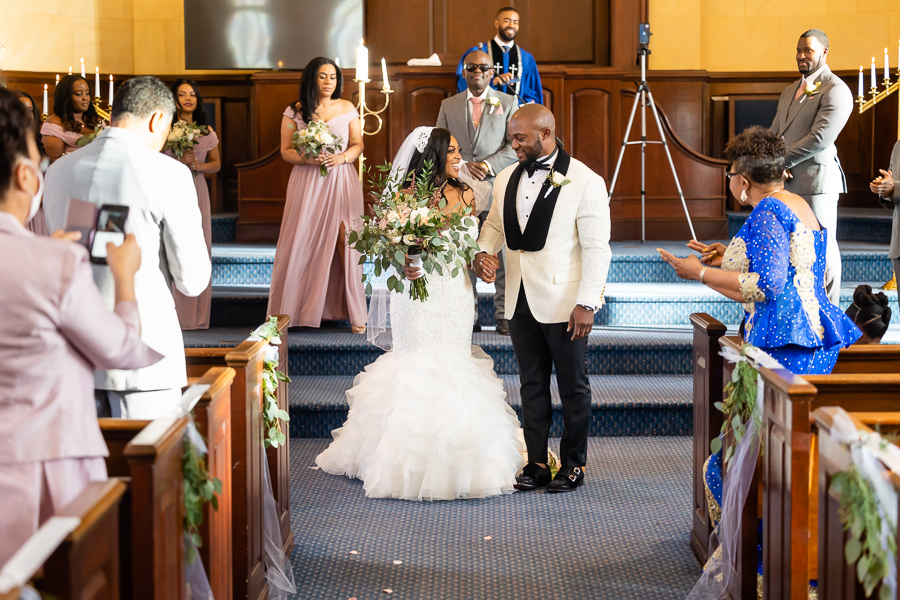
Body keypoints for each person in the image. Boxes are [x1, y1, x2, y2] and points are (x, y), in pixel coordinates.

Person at [315, 127, 526, 501]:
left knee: (454, 361)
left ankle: (461, 454)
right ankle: (403, 460)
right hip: (417, 293)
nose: (459, 158)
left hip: (456, 293)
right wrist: (405, 263)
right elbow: (388, 247)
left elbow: (469, 245)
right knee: (418, 362)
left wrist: (480, 260)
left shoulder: (465, 193)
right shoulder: (405, 195)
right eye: (452, 152)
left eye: (460, 151)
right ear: (434, 156)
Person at [0, 88, 161, 565]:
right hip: (43, 469)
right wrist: (125, 280)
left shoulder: (52, 259)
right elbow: (123, 350)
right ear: (27, 176)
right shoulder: (53, 264)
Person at [42, 76, 211, 419]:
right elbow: (192, 280)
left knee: (89, 472)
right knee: (151, 468)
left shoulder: (58, 171)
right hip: (142, 357)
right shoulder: (168, 173)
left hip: (73, 353)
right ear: (157, 120)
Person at [473, 104, 612, 494]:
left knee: (572, 386)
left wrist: (588, 301)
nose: (512, 144)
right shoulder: (504, 178)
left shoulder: (585, 180)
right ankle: (536, 462)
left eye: (520, 138)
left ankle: (573, 464)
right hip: (518, 299)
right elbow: (495, 225)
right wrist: (483, 251)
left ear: (545, 134)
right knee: (531, 384)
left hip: (567, 301)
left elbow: (598, 248)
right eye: (511, 137)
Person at [662, 126, 860, 373]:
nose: (730, 180)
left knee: (773, 412)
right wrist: (729, 259)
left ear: (743, 181)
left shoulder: (767, 211)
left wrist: (698, 272)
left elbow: (768, 284)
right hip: (810, 333)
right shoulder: (797, 202)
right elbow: (794, 265)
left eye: (730, 175)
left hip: (787, 339)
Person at [267, 57, 367, 331]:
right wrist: (307, 158)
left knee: (346, 241)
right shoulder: (295, 111)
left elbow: (358, 143)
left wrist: (342, 158)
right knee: (303, 238)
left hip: (341, 180)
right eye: (322, 76)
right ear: (311, 78)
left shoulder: (347, 107)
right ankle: (295, 311)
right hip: (308, 180)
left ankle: (356, 313)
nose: (328, 82)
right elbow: (286, 150)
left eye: (333, 77)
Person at [770, 29, 853, 305]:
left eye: (809, 50)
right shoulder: (789, 91)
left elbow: (820, 138)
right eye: (798, 50)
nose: (802, 55)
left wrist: (783, 161)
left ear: (825, 52)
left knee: (824, 252)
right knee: (795, 253)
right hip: (785, 183)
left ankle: (828, 314)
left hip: (817, 183)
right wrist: (771, 163)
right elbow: (774, 135)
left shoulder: (836, 89)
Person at [438, 49, 518, 335]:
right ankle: (467, 312)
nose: (477, 72)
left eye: (483, 67)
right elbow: (439, 144)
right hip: (460, 190)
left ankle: (504, 314)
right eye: (471, 67)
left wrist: (487, 164)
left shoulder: (508, 102)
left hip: (495, 184)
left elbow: (514, 144)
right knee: (464, 249)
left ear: (491, 71)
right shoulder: (449, 104)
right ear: (464, 72)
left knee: (502, 253)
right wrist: (460, 165)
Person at [166, 78, 221, 330]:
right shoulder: (164, 127)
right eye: (182, 94)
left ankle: (198, 316)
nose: (188, 98)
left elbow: (217, 164)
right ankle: (173, 313)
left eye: (192, 94)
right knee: (173, 244)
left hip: (197, 187)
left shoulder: (206, 130)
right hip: (171, 188)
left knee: (198, 246)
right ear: (174, 99)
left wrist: (198, 166)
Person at [456, 6, 543, 105]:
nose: (511, 25)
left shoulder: (526, 58)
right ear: (497, 23)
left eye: (515, 22)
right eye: (507, 21)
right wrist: (492, 82)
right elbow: (463, 84)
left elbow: (532, 93)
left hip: (515, 116)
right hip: (484, 113)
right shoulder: (477, 53)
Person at [40, 74, 103, 163]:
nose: (85, 98)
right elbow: (53, 163)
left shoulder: (98, 122)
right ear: (66, 97)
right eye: (78, 94)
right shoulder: (54, 125)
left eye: (87, 93)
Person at [14, 91, 49, 236]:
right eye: (22, 111)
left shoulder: (36, 142)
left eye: (30, 111)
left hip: (41, 212)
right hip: (18, 209)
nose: (28, 116)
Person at [871, 140, 899, 306]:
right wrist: (884, 189)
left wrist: (894, 187)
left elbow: (895, 185)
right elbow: (891, 181)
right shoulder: (898, 146)